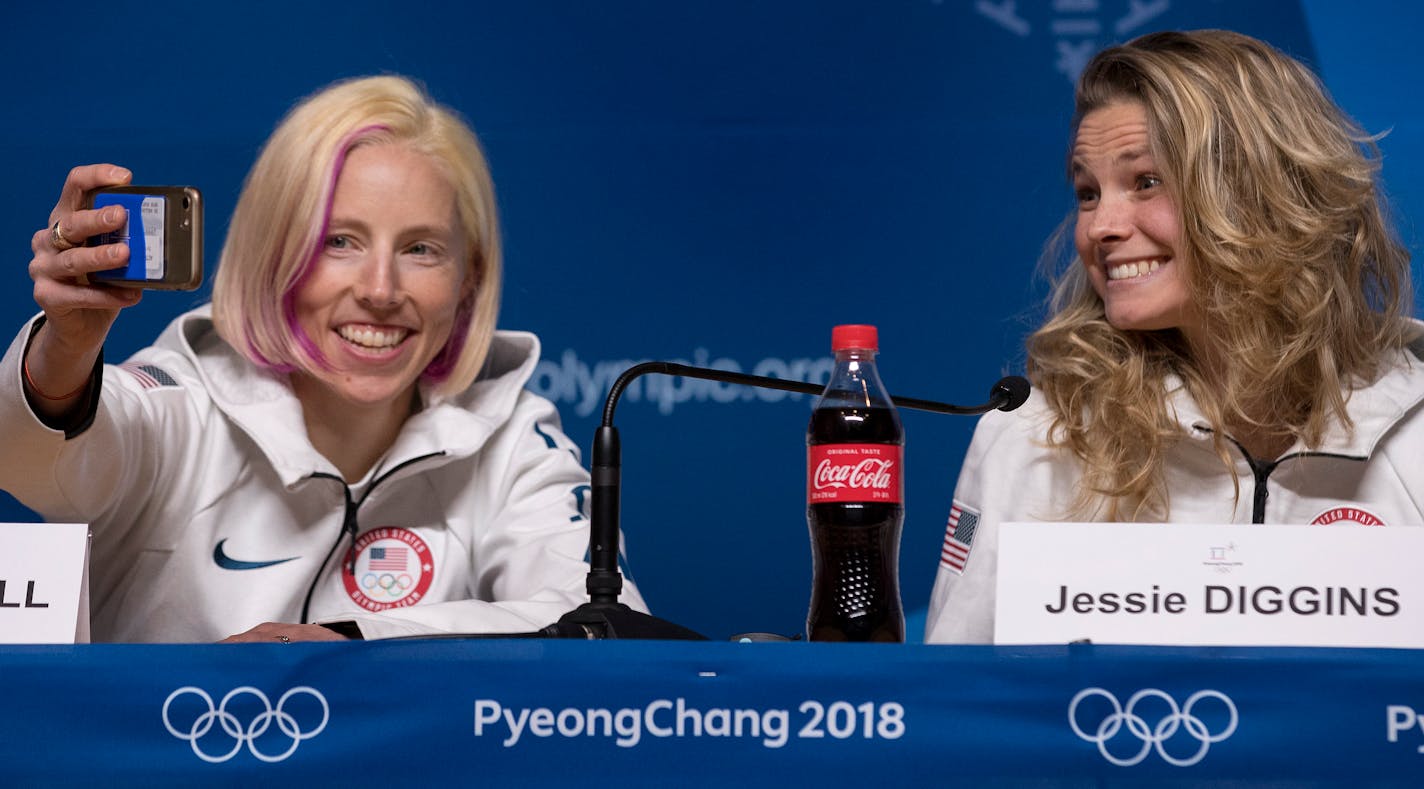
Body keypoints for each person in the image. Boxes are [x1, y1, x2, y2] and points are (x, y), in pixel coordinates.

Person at [1, 75, 646, 643]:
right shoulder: (184, 400)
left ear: (468, 281)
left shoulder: (513, 434)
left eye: (421, 249)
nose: (380, 290)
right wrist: (68, 349)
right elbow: (34, 459)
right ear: (272, 254)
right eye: (339, 241)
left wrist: (349, 644)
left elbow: (602, 624)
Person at [925, 29, 1424, 643]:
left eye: (1146, 182)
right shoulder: (1037, 436)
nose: (1101, 227)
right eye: (1087, 192)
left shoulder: (1415, 431)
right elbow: (960, 712)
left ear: (1263, 191)